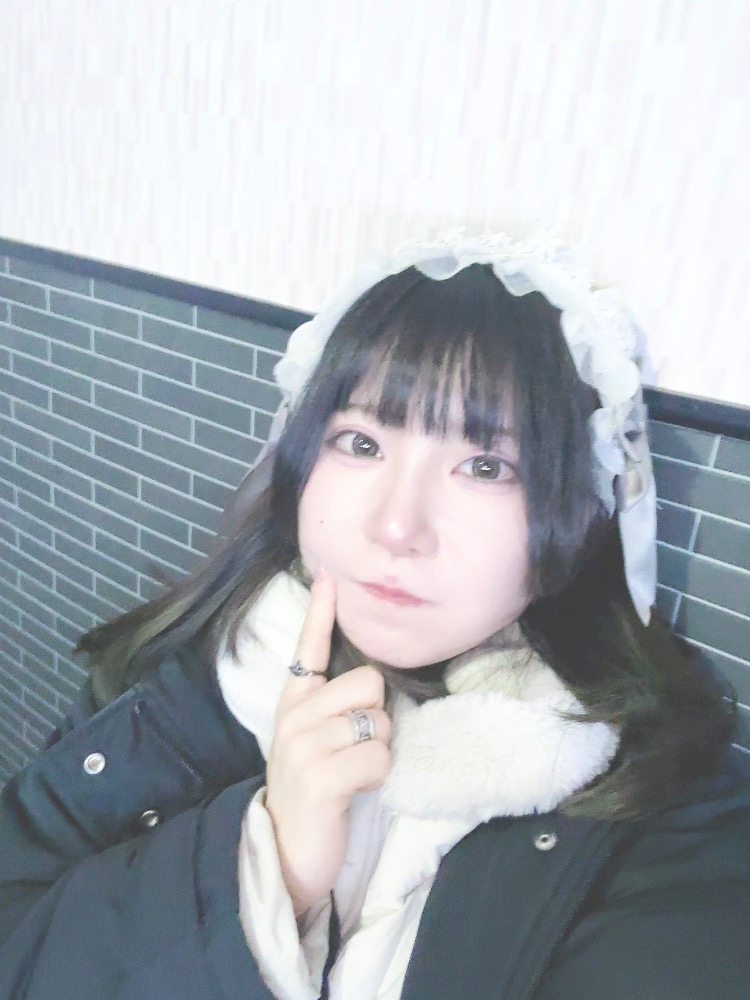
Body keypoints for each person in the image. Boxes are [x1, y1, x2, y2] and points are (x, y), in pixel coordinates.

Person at [1, 231, 749, 1000]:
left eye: (486, 466)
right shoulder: (182, 675)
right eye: (360, 443)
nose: (396, 526)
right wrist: (268, 867)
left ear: (578, 512)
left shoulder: (664, 809)